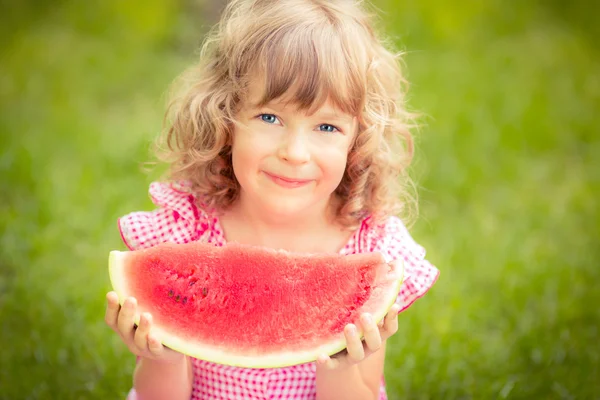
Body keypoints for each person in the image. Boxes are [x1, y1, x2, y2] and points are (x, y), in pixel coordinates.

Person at [104, 0, 439, 398]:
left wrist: (342, 365)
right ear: (226, 117)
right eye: (269, 118)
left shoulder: (369, 248)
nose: (295, 152)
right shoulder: (185, 229)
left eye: (327, 126)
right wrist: (161, 356)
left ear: (357, 140)